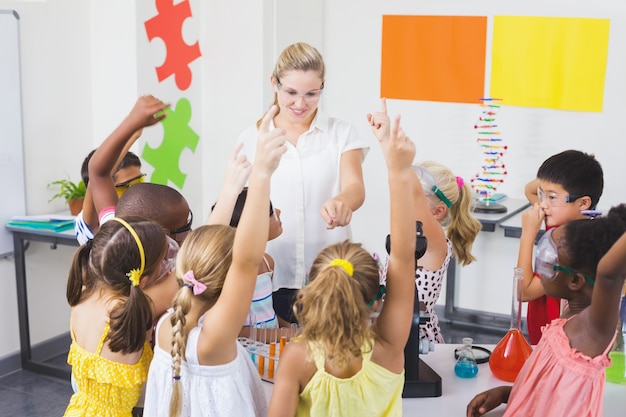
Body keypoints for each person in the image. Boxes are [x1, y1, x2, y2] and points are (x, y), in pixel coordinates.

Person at [143, 105, 286, 417]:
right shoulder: (213, 341)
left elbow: (211, 246)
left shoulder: (168, 323)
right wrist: (262, 173)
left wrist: (231, 187)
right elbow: (246, 261)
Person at [268, 114, 416, 416]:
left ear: (312, 292)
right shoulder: (387, 347)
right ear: (376, 301)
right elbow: (403, 254)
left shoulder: (297, 357)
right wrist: (398, 171)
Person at [239, 42, 368, 323]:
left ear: (323, 87)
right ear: (274, 83)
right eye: (291, 92)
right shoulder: (253, 138)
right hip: (269, 276)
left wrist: (343, 201)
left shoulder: (341, 133)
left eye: (312, 94)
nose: (300, 104)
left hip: (329, 275)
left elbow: (355, 187)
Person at [466, 204, 626, 417]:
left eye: (548, 260)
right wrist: (508, 394)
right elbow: (550, 388)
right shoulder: (566, 317)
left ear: (575, 280)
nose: (539, 264)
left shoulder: (592, 329)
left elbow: (609, 273)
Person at [367, 98, 482, 344]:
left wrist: (389, 142)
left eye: (411, 193)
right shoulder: (416, 234)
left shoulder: (434, 239)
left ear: (438, 211)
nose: (401, 196)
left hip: (417, 341)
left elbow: (408, 184)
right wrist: (385, 140)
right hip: (395, 330)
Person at [64, 216, 170, 417]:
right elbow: (183, 273)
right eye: (163, 261)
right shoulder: (130, 312)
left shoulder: (84, 294)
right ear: (143, 279)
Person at [517, 150, 603, 344]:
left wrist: (527, 235)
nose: (543, 205)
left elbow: (524, 292)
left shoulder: (570, 243)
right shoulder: (563, 219)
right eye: (543, 196)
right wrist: (563, 173)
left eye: (552, 197)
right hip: (547, 336)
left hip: (561, 343)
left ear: (583, 203)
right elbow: (529, 189)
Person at [207, 146, 288, 330]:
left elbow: (269, 311)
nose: (279, 212)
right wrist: (280, 336)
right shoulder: (228, 271)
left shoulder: (268, 263)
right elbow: (234, 330)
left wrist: (288, 327)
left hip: (272, 350)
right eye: (271, 212)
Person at [74, 130, 145, 245]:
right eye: (124, 187)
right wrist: (133, 135)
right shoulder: (93, 224)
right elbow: (98, 174)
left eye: (139, 181)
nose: (136, 192)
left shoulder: (140, 216)